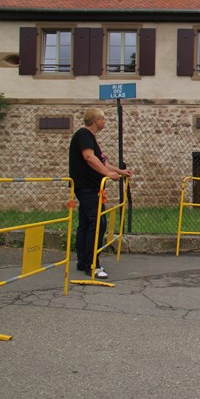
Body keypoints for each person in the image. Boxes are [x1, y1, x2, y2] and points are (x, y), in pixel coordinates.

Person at [69, 108, 132, 279]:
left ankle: (83, 261)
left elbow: (101, 160)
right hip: (87, 187)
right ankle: (92, 265)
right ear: (96, 120)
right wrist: (106, 173)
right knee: (98, 224)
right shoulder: (84, 135)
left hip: (89, 187)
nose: (105, 122)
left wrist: (119, 171)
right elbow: (89, 158)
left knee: (86, 224)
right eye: (104, 119)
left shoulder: (90, 138)